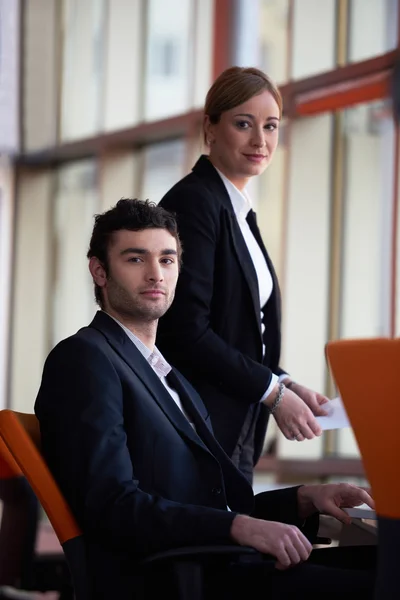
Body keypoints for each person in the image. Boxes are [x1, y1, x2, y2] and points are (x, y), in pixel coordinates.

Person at [35, 200, 375, 600]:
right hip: (173, 582)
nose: (155, 274)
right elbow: (112, 506)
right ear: (99, 270)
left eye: (167, 259)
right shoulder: (85, 359)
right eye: (135, 258)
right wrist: (238, 528)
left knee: (381, 563)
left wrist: (301, 500)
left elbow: (210, 504)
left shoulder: (169, 375)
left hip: (217, 565)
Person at [157, 67, 330, 482]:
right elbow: (186, 331)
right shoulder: (195, 202)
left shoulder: (236, 209)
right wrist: (273, 393)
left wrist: (284, 382)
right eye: (243, 124)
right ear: (210, 128)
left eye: (271, 126)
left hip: (235, 419)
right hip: (200, 424)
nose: (260, 141)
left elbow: (238, 330)